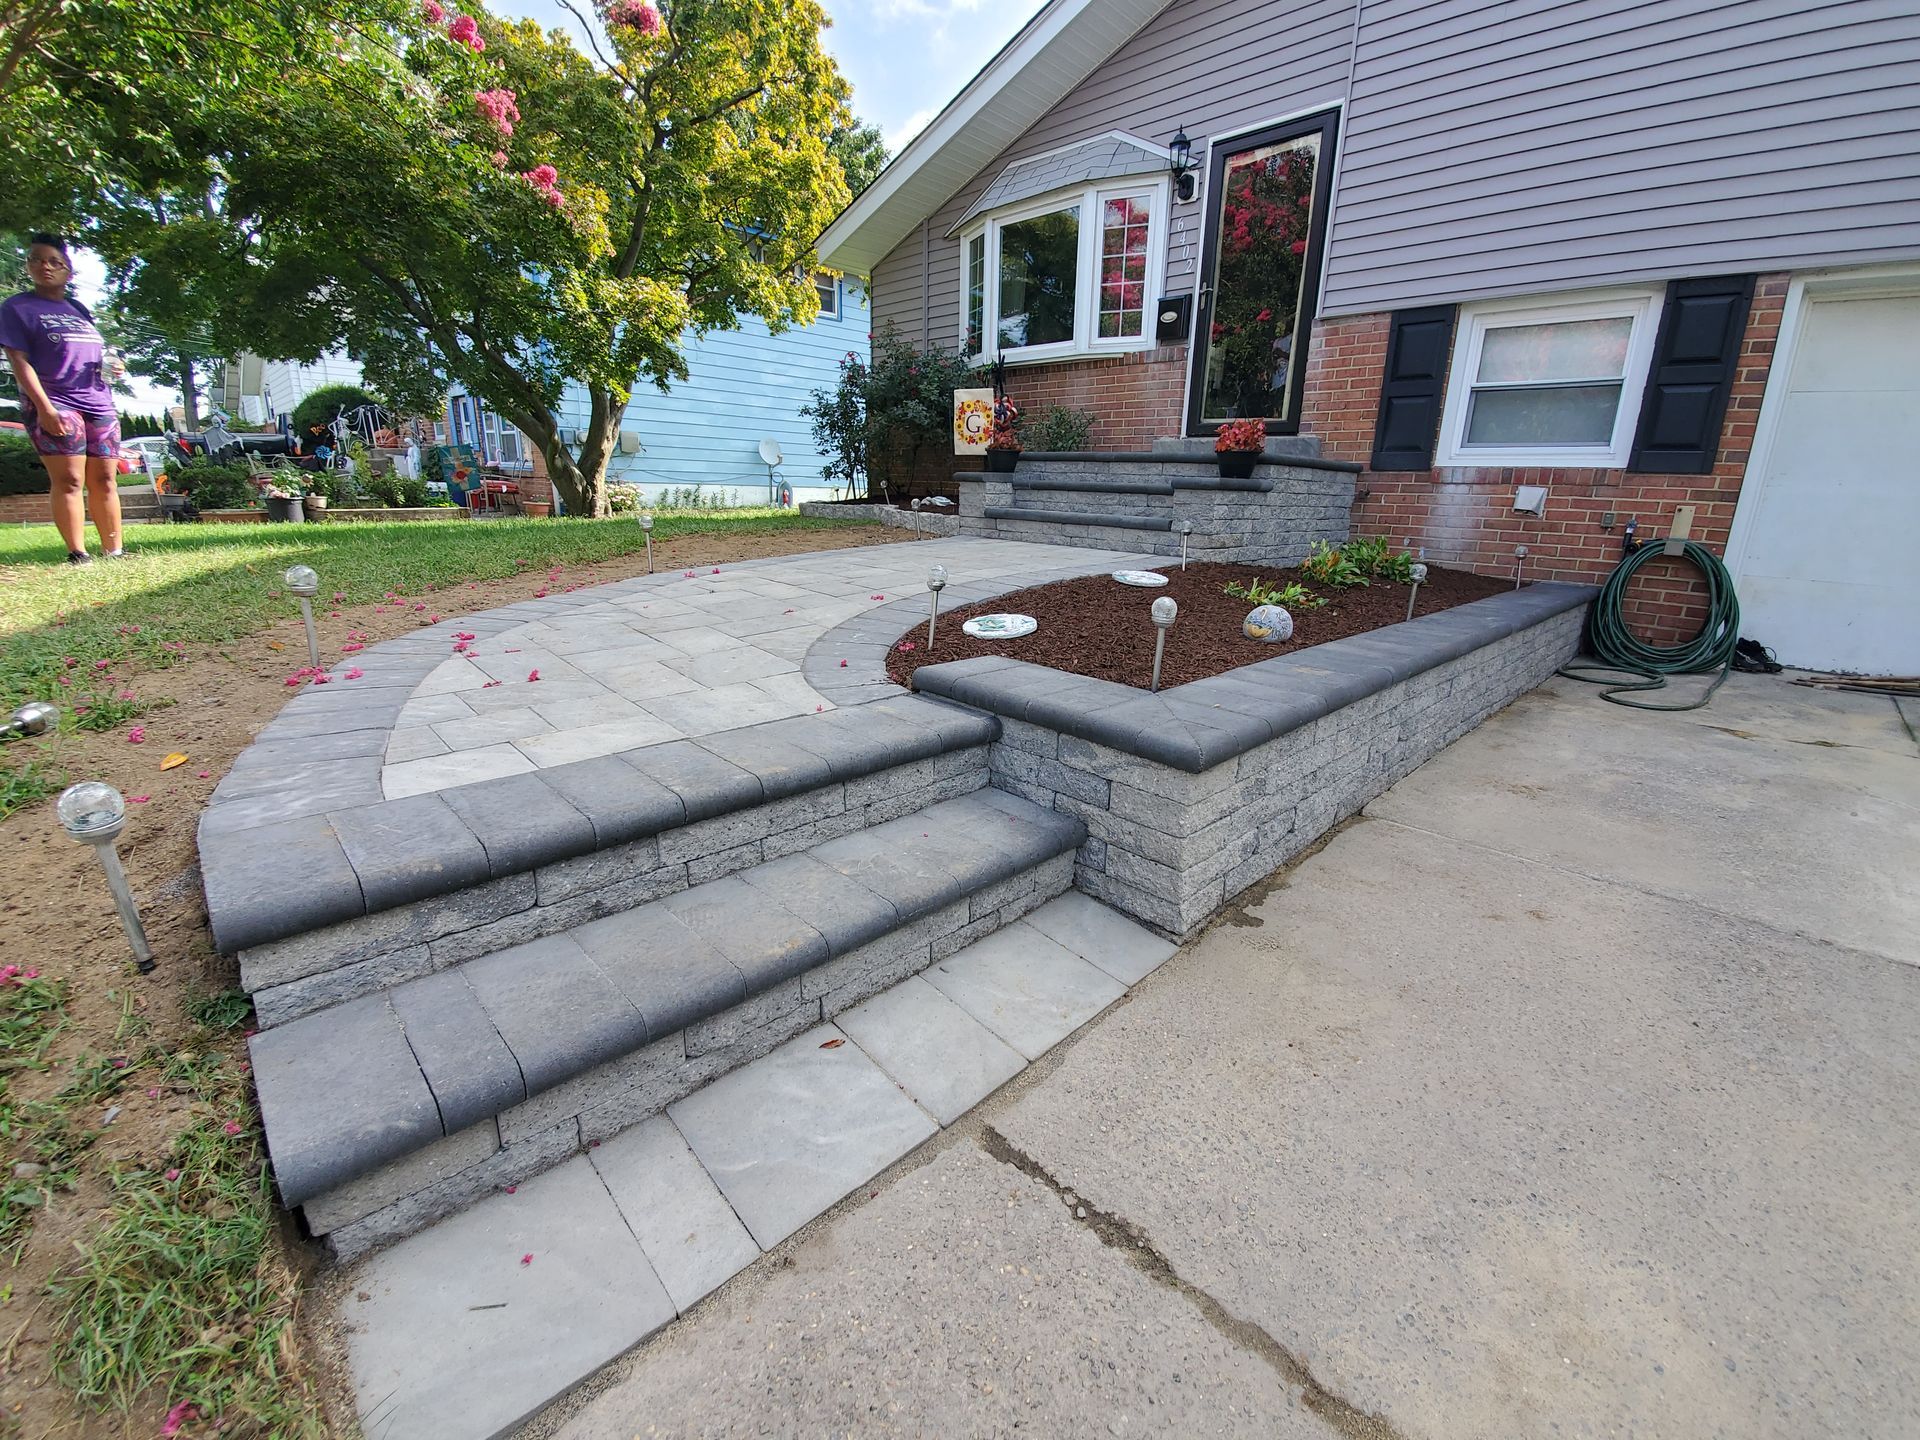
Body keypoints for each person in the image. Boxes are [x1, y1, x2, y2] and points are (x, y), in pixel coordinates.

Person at [0, 234, 127, 563]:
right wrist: (44, 408)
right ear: (28, 265)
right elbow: (18, 361)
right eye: (37, 259)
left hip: (98, 401)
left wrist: (114, 368)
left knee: (105, 478)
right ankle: (77, 552)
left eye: (55, 261)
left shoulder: (78, 309)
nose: (45, 266)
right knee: (70, 478)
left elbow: (93, 355)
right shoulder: (17, 308)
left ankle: (114, 551)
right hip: (55, 401)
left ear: (68, 272)